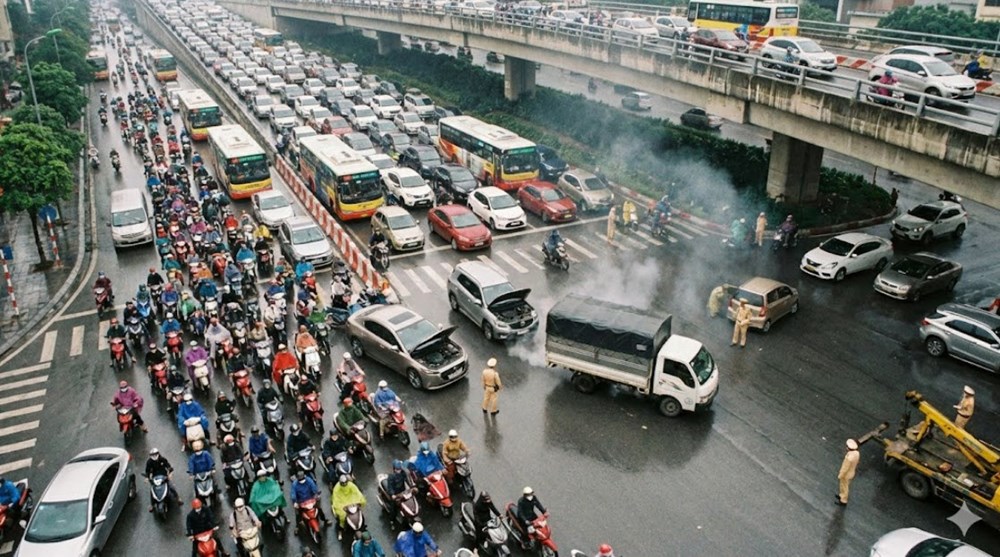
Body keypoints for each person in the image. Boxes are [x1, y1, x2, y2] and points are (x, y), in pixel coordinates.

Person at [330, 474, 366, 539]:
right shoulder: (336, 489)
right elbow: (336, 500)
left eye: (345, 483)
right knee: (342, 517)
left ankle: (362, 526)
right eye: (342, 483)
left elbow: (357, 493)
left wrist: (360, 501)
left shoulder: (351, 485)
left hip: (352, 503)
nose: (344, 484)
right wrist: (341, 508)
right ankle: (340, 531)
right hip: (343, 505)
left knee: (360, 513)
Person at [836, 439, 860, 506]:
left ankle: (843, 500)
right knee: (844, 485)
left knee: (844, 487)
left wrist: (840, 475)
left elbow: (845, 468)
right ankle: (841, 495)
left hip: (846, 474)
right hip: (851, 472)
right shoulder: (857, 453)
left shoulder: (849, 458)